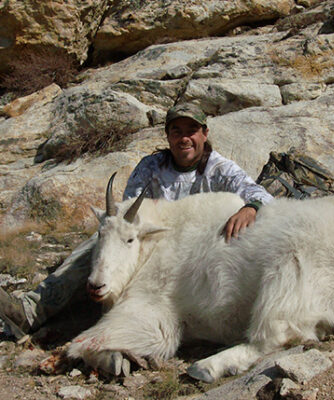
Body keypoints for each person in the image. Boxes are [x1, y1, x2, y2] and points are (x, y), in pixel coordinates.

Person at [0, 103, 273, 339]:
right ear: (167, 136)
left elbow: (260, 194)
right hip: (148, 246)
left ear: (204, 133)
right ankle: (31, 311)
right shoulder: (150, 167)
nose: (184, 138)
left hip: (195, 253)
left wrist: (251, 207)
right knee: (99, 243)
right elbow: (124, 219)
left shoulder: (221, 169)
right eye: (176, 131)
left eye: (191, 130)